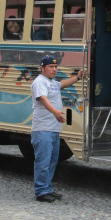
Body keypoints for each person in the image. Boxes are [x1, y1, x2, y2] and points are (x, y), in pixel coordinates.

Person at [30, 55, 83, 202]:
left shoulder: (51, 82)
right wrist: (55, 112)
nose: (54, 69)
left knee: (52, 161)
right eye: (51, 67)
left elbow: (62, 84)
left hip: (53, 130)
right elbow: (42, 98)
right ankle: (41, 191)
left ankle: (47, 188)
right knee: (43, 161)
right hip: (42, 129)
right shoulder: (39, 82)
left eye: (55, 67)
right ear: (42, 68)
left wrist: (77, 77)